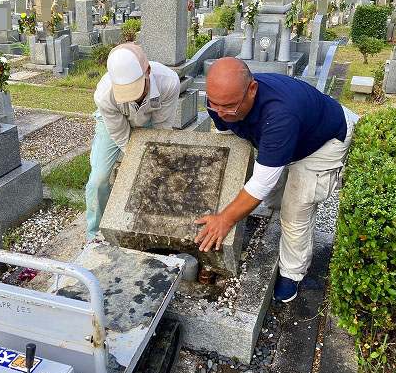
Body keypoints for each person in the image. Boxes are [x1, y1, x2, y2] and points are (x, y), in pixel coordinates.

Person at [194, 57, 360, 302]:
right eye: (214, 105)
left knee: (295, 210)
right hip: (285, 139)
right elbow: (229, 141)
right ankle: (279, 224)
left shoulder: (280, 113)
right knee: (274, 197)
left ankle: (292, 272)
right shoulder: (219, 102)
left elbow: (260, 183)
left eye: (228, 107)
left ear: (252, 90)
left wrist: (226, 218)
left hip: (322, 142)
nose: (220, 113)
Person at [85, 44, 181, 239]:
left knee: (158, 169)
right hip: (113, 122)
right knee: (98, 179)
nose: (133, 97)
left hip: (149, 122)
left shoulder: (169, 82)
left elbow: (161, 128)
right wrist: (137, 158)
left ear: (148, 71)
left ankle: (148, 223)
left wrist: (154, 160)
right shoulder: (105, 94)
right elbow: (120, 134)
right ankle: (94, 232)